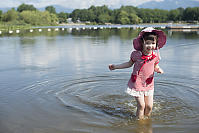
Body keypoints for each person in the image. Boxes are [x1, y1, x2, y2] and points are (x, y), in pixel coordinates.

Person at [108, 27, 166, 120]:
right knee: (141, 106)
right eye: (147, 43)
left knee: (149, 106)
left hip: (149, 84)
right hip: (137, 83)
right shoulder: (136, 55)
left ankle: (147, 122)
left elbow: (155, 66)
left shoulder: (155, 56)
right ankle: (139, 122)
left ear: (156, 44)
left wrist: (159, 69)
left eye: (153, 43)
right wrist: (115, 67)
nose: (150, 46)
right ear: (142, 42)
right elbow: (129, 64)